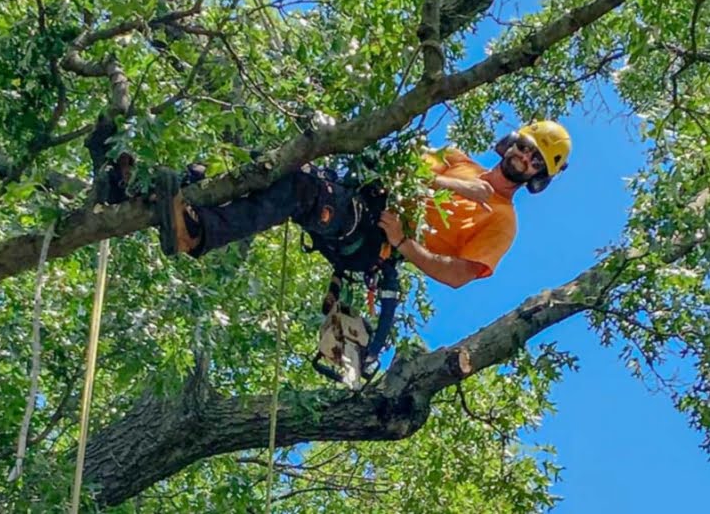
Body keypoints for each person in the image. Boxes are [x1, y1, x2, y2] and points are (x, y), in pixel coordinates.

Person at [149, 120, 572, 374]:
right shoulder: (457, 160)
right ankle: (179, 190)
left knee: (301, 188)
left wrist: (403, 242)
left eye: (536, 160)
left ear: (539, 176)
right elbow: (401, 166)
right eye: (524, 147)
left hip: (374, 243)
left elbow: (458, 275)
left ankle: (196, 234)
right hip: (361, 198)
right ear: (510, 143)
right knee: (276, 162)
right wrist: (455, 184)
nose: (523, 158)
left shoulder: (502, 221)